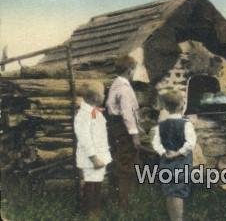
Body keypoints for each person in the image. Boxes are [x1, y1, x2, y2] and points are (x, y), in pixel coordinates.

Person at [151, 90, 197, 221]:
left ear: (165, 107)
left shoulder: (161, 125)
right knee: (178, 192)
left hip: (166, 162)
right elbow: (190, 143)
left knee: (169, 190)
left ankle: (172, 217)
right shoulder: (186, 124)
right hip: (180, 162)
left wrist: (164, 153)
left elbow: (155, 143)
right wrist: (177, 153)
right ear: (181, 106)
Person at [105, 55, 143, 210]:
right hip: (123, 129)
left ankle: (117, 198)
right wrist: (134, 135)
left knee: (119, 162)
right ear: (129, 70)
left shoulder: (115, 84)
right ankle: (124, 203)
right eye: (134, 69)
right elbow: (127, 113)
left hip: (115, 127)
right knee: (126, 164)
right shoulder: (124, 89)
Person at [74, 82, 112, 220]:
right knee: (91, 185)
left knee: (97, 184)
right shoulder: (83, 115)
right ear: (96, 97)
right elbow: (84, 139)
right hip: (91, 159)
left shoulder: (94, 112)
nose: (104, 96)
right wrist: (94, 157)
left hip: (99, 157)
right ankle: (91, 213)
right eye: (102, 94)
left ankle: (94, 210)